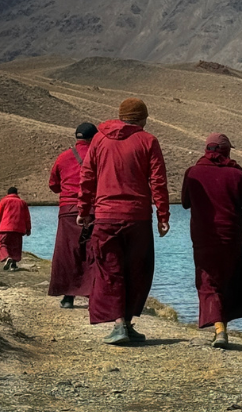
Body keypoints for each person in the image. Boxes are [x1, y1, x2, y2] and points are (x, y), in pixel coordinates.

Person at [77, 98, 170, 345]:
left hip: (106, 216)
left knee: (110, 269)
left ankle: (121, 325)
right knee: (137, 271)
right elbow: (158, 181)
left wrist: (84, 209)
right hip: (138, 217)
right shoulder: (148, 141)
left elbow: (87, 176)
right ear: (141, 118)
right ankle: (125, 323)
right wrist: (163, 215)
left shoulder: (98, 139)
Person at [181, 133, 242, 348]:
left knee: (208, 281)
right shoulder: (236, 174)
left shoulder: (193, 172)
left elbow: (185, 203)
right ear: (226, 151)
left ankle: (219, 329)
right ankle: (222, 329)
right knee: (229, 280)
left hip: (203, 237)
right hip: (230, 237)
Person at [47, 122, 97, 308]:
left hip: (68, 211)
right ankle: (93, 294)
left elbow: (53, 185)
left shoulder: (63, 157)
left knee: (69, 252)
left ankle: (68, 296)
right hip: (93, 210)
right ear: (94, 138)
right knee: (93, 252)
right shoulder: (98, 156)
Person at [0, 187, 30, 271]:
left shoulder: (3, 201)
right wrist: (28, 229)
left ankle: (7, 258)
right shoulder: (23, 203)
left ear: (7, 194)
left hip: (5, 228)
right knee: (16, 247)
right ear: (17, 194)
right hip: (18, 230)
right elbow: (27, 217)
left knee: (3, 244)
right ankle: (13, 265)